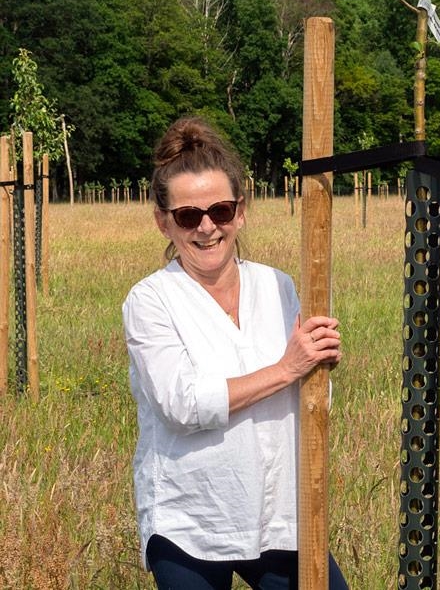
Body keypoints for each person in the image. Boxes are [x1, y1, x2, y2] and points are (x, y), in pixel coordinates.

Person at [123, 116, 350, 589]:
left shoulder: (279, 285)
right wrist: (289, 366)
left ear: (240, 211)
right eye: (188, 215)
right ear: (163, 221)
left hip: (279, 513)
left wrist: (320, 367)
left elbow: (307, 398)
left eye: (220, 211)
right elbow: (183, 403)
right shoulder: (149, 301)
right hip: (191, 519)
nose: (207, 228)